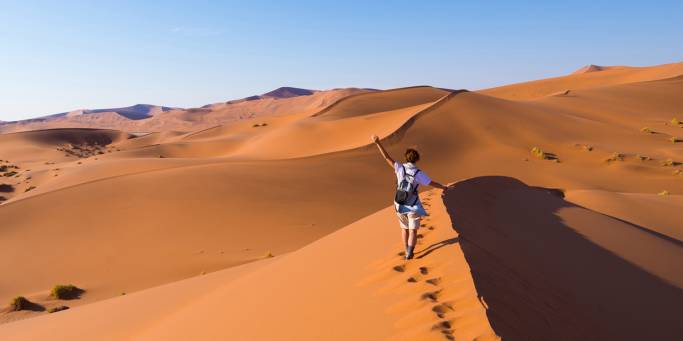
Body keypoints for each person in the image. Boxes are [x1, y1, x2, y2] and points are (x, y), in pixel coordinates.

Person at [370, 135, 448, 260]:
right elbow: (431, 183)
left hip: (398, 203)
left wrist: (377, 143)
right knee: (413, 231)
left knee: (404, 229)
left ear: (406, 158)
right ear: (417, 159)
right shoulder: (418, 173)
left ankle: (406, 248)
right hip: (413, 204)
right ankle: (409, 252)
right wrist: (444, 187)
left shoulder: (399, 167)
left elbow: (386, 157)